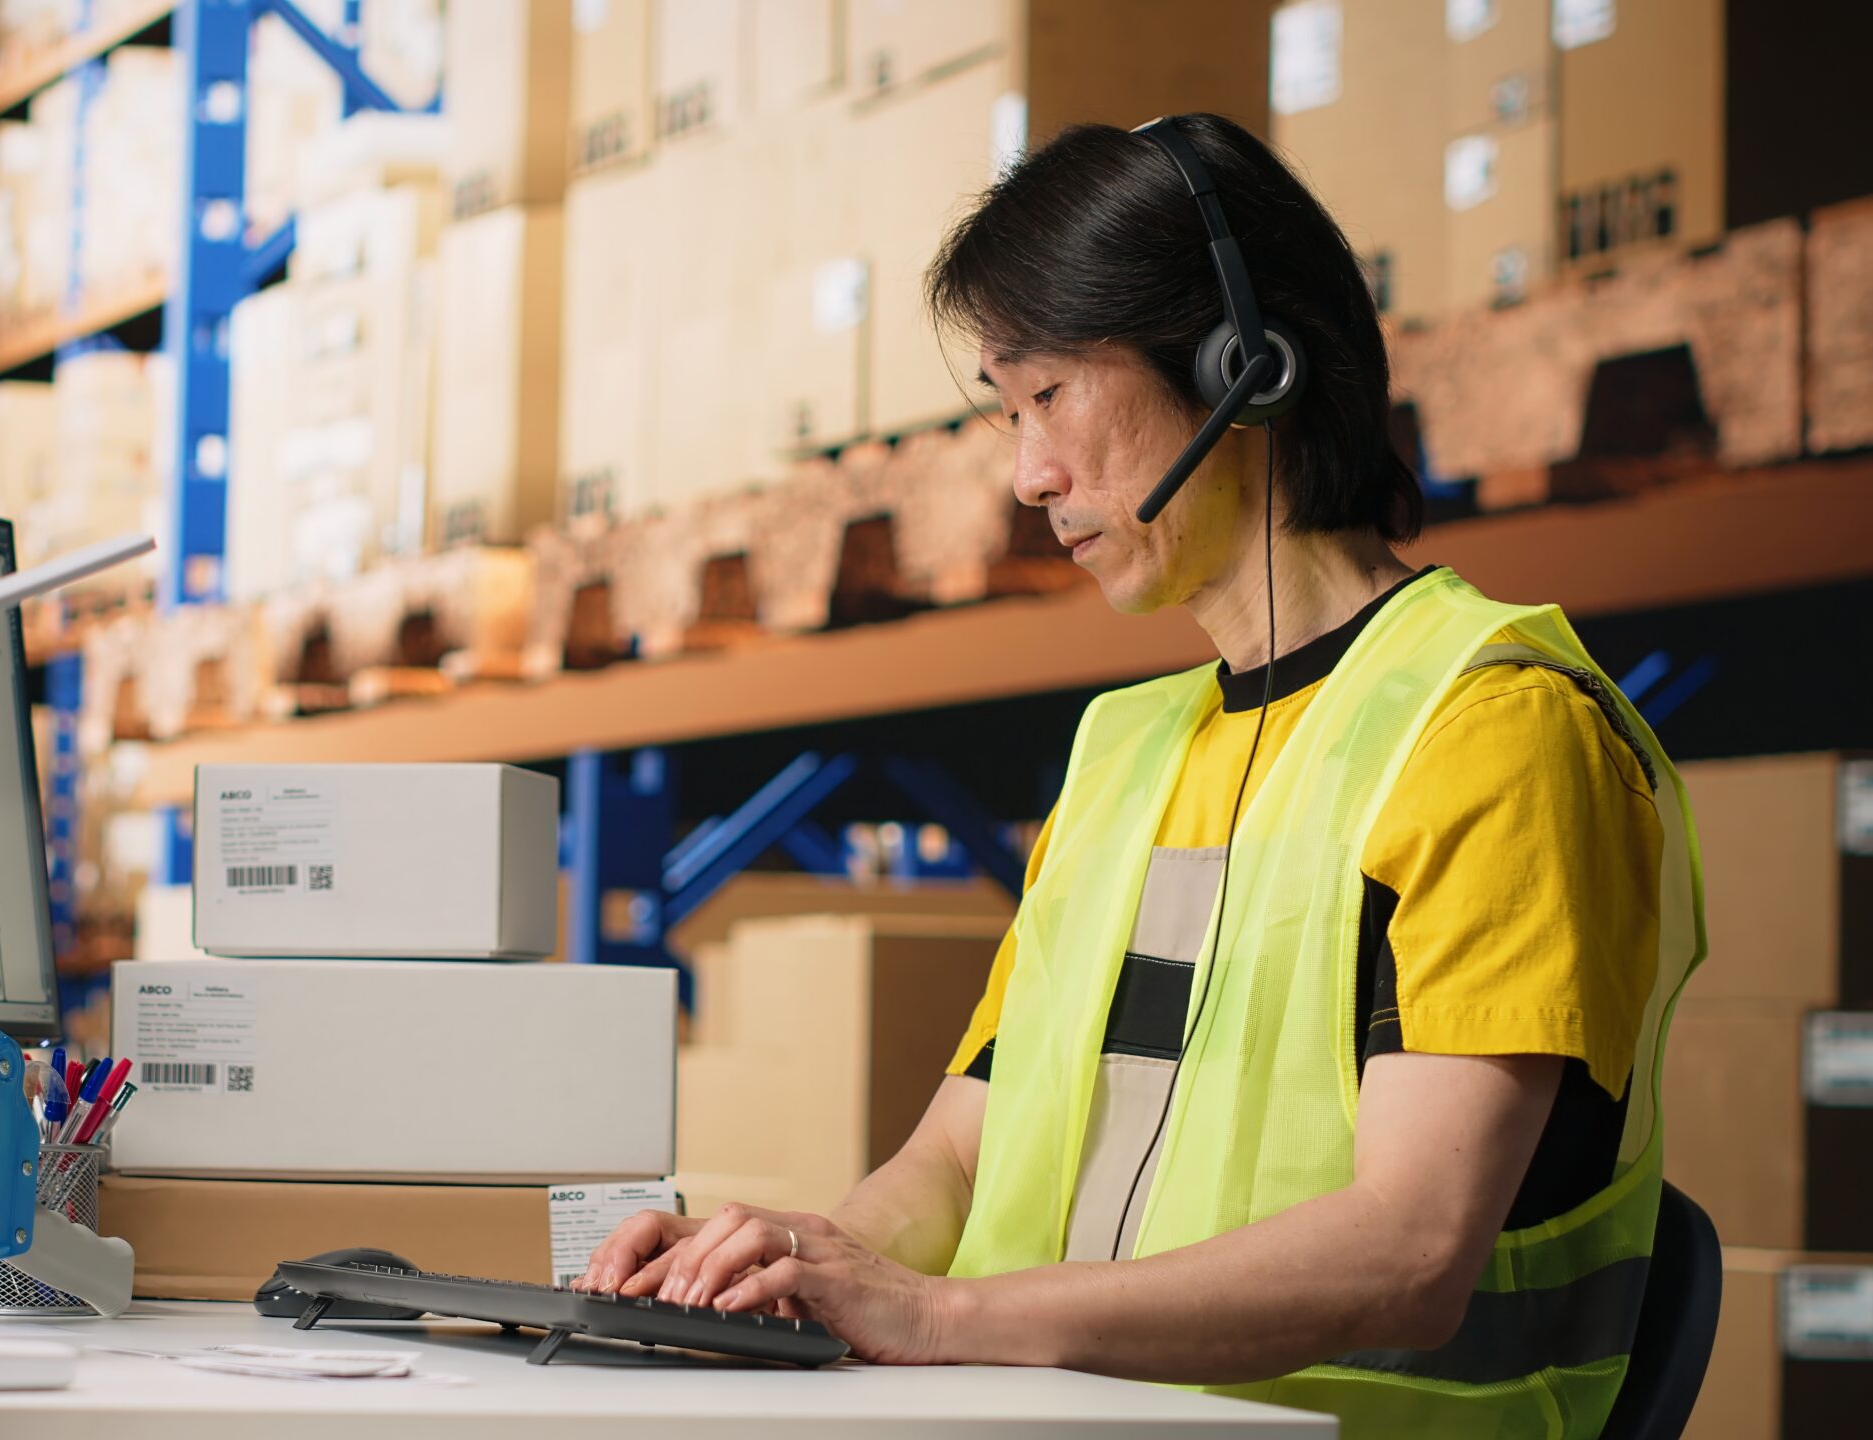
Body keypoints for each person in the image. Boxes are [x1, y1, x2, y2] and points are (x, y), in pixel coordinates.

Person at [576, 114, 1704, 1436]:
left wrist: (939, 1322)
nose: (1028, 475)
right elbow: (957, 1152)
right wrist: (800, 1265)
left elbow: (1411, 1253)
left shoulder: (1491, 736)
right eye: (1006, 414)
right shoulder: (1124, 756)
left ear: (1244, 362)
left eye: (1049, 397)